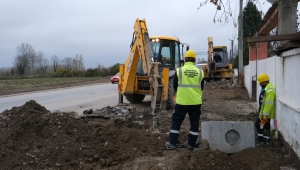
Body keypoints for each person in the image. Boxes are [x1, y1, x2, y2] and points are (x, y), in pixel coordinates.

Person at [165, 49, 204, 151]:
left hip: (182, 101)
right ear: (194, 60)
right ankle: (191, 144)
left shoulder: (179, 71)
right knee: (194, 123)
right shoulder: (200, 72)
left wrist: (182, 94)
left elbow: (175, 86)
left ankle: (173, 143)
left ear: (185, 59)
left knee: (176, 121)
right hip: (196, 102)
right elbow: (201, 87)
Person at [255, 73, 276, 146]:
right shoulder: (265, 89)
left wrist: (265, 116)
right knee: (260, 125)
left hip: (265, 114)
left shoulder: (270, 91)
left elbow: (268, 104)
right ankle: (261, 140)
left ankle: (265, 141)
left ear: (264, 82)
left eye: (260, 83)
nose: (259, 84)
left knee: (264, 126)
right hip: (262, 112)